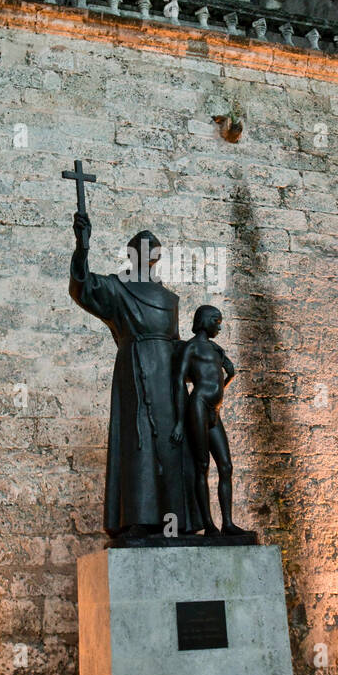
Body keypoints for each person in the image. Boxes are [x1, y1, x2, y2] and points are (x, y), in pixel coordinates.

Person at [69, 214, 201, 539]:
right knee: (138, 438)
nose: (150, 256)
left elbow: (174, 339)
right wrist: (82, 245)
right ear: (133, 255)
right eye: (144, 250)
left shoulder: (169, 299)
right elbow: (83, 286)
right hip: (135, 365)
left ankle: (176, 523)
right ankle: (138, 520)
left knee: (173, 439)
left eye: (154, 251)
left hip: (168, 374)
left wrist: (201, 353)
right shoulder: (117, 288)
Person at [172, 305, 246, 536]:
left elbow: (218, 385)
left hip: (214, 410)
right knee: (202, 465)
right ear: (204, 321)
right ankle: (209, 524)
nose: (219, 326)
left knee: (226, 466)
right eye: (216, 321)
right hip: (198, 406)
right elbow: (178, 382)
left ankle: (228, 523)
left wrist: (230, 376)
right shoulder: (191, 347)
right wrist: (179, 422)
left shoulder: (217, 350)